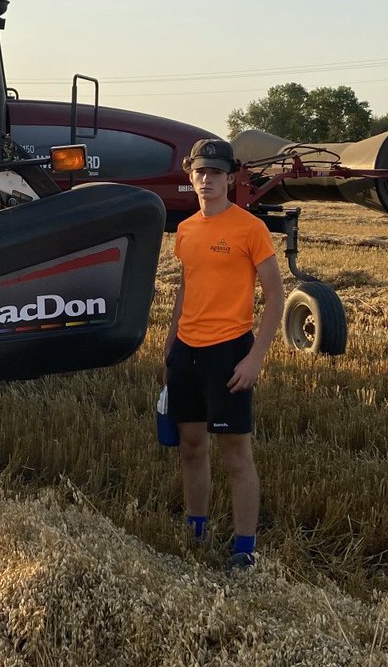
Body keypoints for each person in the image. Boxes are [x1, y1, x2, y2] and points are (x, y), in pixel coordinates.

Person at [163, 137, 284, 570]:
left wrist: (255, 358)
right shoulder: (187, 230)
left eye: (216, 172)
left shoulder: (250, 228)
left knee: (236, 453)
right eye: (201, 171)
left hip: (229, 353)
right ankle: (196, 530)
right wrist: (171, 339)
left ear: (230, 178)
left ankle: (244, 548)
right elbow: (185, 285)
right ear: (190, 176)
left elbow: (275, 296)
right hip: (187, 351)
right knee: (191, 446)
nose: (207, 179)